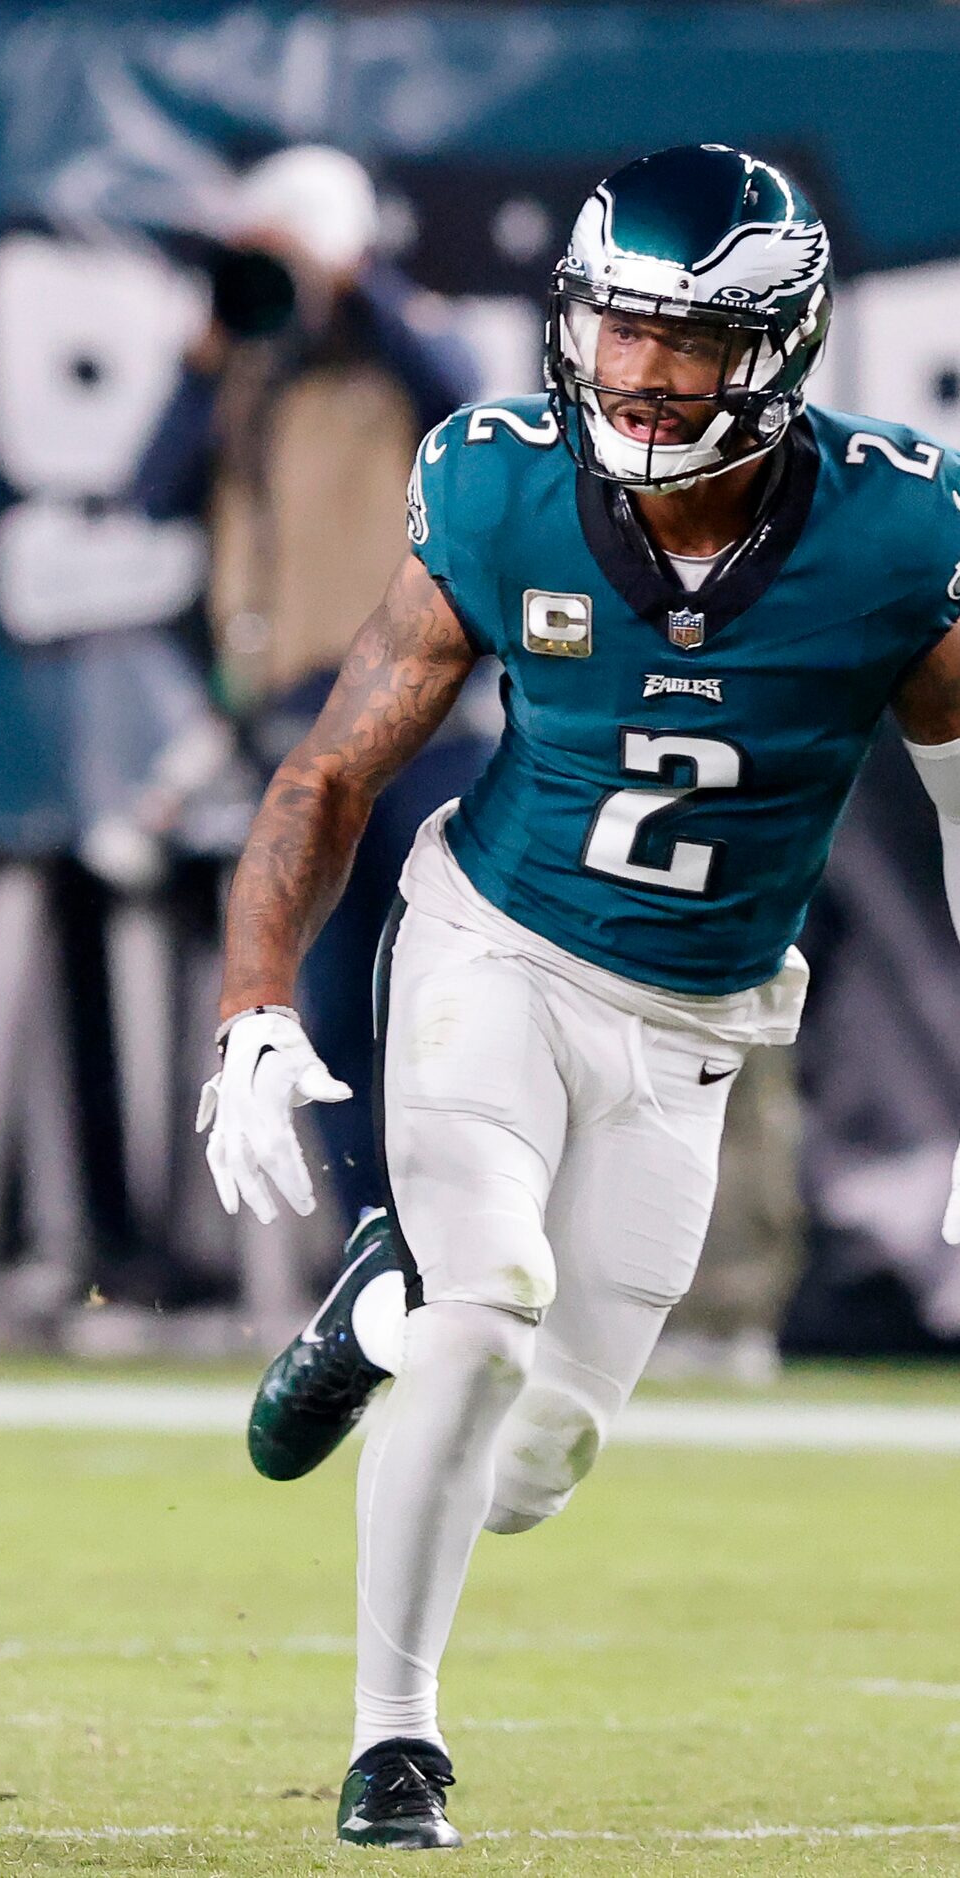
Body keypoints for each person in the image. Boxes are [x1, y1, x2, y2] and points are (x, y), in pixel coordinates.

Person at [199, 146, 960, 1848]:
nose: (630, 370)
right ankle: (393, 1741)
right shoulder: (496, 483)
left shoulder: (899, 532)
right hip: (493, 949)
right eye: (610, 326)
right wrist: (251, 1002)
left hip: (692, 1026)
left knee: (532, 1464)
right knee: (493, 1303)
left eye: (677, 339)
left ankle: (370, 1311)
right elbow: (326, 773)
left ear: (774, 347)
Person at [135, 145, 486, 1217]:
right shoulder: (246, 373)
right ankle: (371, 1237)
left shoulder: (400, 345)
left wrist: (342, 276)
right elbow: (149, 491)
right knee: (321, 1001)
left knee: (441, 987)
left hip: (422, 717)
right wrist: (206, 357)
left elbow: (459, 394)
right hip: (298, 717)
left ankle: (465, 1227)